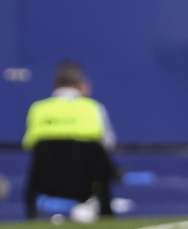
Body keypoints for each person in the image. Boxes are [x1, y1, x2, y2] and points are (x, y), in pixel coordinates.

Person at [22, 61, 118, 220]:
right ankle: (106, 216)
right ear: (82, 83)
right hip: (86, 184)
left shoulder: (38, 109)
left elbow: (30, 145)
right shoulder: (93, 108)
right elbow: (108, 145)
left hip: (48, 182)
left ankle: (32, 217)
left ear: (56, 81)